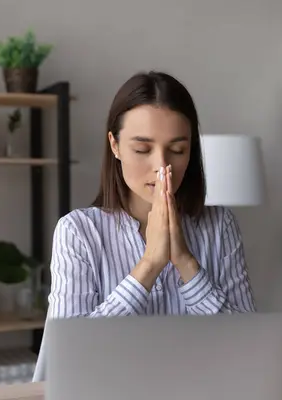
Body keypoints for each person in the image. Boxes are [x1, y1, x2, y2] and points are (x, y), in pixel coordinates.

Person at [32, 71, 256, 382]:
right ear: (115, 145)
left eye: (178, 150)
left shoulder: (220, 226)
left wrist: (187, 264)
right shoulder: (78, 232)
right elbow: (70, 358)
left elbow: (250, 350)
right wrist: (149, 265)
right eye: (142, 149)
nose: (161, 166)